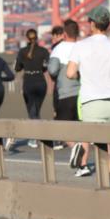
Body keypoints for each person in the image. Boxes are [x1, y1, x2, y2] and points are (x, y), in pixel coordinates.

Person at [66, 6, 110, 188]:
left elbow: (70, 73)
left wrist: (82, 74)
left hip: (91, 102)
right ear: (108, 25)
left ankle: (81, 144)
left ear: (93, 24)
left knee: (99, 146)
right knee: (105, 147)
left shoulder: (80, 46)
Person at [46, 20, 87, 170]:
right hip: (84, 94)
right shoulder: (83, 47)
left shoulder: (59, 49)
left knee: (60, 127)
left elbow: (52, 70)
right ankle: (83, 166)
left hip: (66, 93)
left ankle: (74, 146)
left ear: (64, 34)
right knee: (83, 130)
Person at [14, 28, 50, 148]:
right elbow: (47, 66)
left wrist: (24, 64)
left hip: (28, 81)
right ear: (37, 38)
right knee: (37, 109)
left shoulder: (22, 51)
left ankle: (34, 138)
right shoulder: (44, 51)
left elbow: (17, 68)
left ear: (27, 38)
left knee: (32, 110)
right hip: (40, 82)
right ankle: (39, 135)